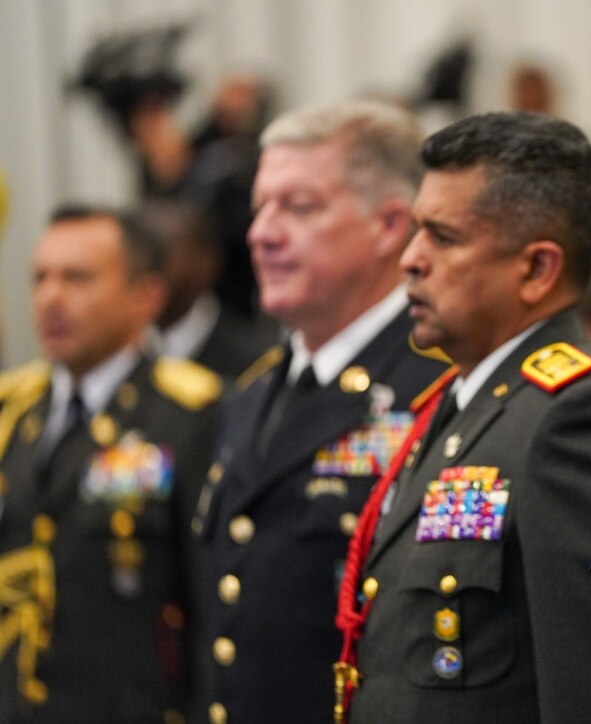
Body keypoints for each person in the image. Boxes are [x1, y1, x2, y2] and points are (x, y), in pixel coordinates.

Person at [343, 112, 591, 723]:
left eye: (444, 237)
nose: (410, 259)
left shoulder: (576, 415)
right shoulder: (460, 402)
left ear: (538, 269)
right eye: (414, 232)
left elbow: (589, 687)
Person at [193, 99, 450, 724]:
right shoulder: (251, 394)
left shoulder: (441, 386)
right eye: (260, 208)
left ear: (390, 226)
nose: (261, 233)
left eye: (299, 207)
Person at [0, 206, 221, 722]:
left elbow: (210, 603)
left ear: (146, 297)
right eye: (40, 278)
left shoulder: (192, 415)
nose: (51, 297)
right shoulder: (12, 414)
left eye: (77, 279)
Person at [142, 198, 281, 380]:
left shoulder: (255, 362)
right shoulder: (120, 352)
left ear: (207, 263)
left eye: (165, 253)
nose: (151, 266)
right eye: (144, 253)